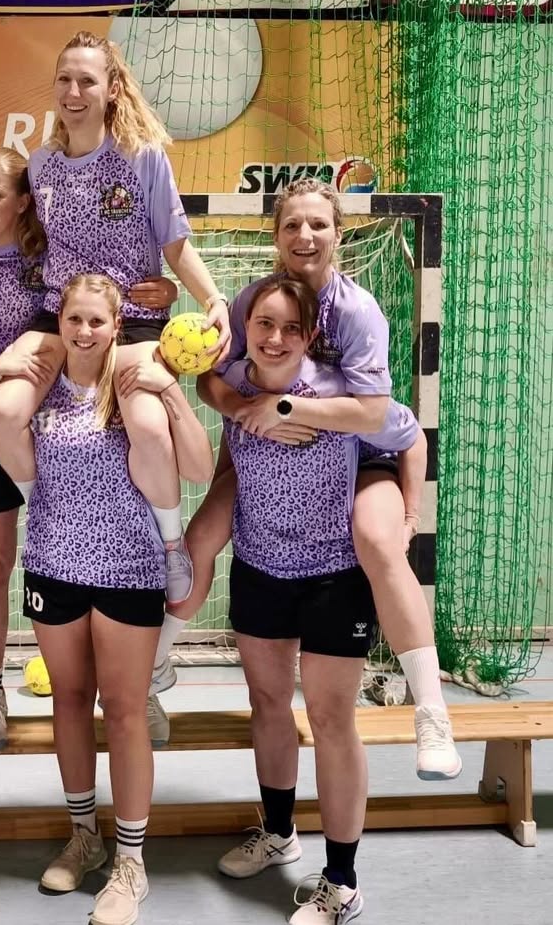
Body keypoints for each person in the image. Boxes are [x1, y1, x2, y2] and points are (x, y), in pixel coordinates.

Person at [152, 177, 461, 781]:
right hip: (268, 454)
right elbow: (212, 378)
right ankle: (153, 673)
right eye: (292, 224)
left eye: (319, 223)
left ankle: (431, 712)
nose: (305, 235)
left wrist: (288, 408)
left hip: (359, 453)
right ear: (276, 235)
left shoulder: (356, 311)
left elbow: (376, 415)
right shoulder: (251, 301)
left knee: (377, 541)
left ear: (339, 234)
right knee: (200, 538)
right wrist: (245, 409)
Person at [0, 142, 178, 749]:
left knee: (121, 559)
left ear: (26, 200)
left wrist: (162, 287)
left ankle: (141, 690)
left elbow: (102, 285)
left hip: (61, 429)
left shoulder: (48, 255)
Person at [0, 29, 231, 611]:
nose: (74, 92)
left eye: (87, 81)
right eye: (64, 80)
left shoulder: (142, 157)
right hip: (60, 316)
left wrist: (212, 298)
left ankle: (170, 545)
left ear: (112, 88)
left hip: (132, 318)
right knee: (0, 413)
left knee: (146, 425)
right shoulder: (40, 165)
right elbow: (29, 244)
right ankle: (46, 506)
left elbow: (175, 244)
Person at [211, 275, 424, 923]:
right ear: (247, 329)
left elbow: (409, 435)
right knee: (268, 704)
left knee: (331, 719)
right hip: (259, 567)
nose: (275, 337)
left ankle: (341, 881)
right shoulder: (234, 383)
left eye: (291, 328)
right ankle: (279, 832)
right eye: (264, 324)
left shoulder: (343, 396)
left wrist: (409, 517)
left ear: (309, 337)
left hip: (334, 576)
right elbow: (204, 387)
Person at [14, 274, 213, 925]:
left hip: (128, 568)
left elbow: (199, 468)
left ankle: (131, 861)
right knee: (70, 701)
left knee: (124, 710)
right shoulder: (40, 387)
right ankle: (85, 837)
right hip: (53, 564)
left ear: (116, 325)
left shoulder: (133, 386)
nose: (84, 331)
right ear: (60, 321)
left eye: (97, 320)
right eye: (74, 318)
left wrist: (172, 394)